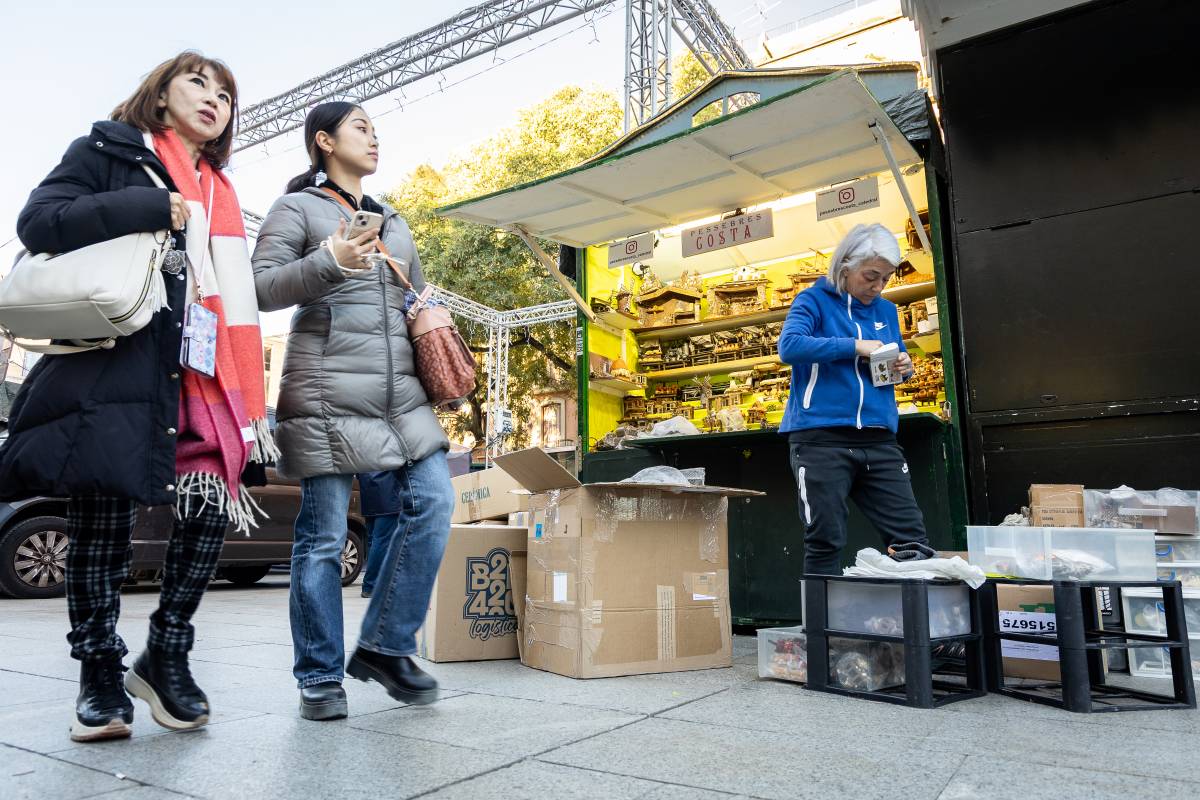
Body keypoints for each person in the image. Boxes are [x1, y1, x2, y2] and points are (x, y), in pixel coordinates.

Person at [0, 52, 273, 742]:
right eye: (198, 84)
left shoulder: (222, 192)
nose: (215, 99)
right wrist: (151, 205)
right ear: (158, 96)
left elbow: (231, 289)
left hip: (204, 376)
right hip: (118, 363)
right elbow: (40, 222)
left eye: (226, 94)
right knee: (103, 523)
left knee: (210, 506)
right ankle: (98, 673)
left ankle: (167, 651)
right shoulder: (108, 150)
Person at [252, 102, 453, 721]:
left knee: (436, 501)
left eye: (375, 129)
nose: (373, 138)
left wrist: (428, 310)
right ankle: (318, 675)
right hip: (326, 390)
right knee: (322, 538)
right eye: (361, 127)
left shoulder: (395, 219)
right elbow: (261, 287)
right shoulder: (297, 209)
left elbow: (410, 293)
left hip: (400, 394)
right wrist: (330, 261)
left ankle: (385, 646)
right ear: (324, 141)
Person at [777, 223, 931, 576]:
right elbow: (789, 347)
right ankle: (821, 630)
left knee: (911, 537)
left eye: (886, 279)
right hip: (821, 439)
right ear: (845, 266)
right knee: (825, 538)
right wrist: (853, 347)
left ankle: (913, 625)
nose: (878, 287)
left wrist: (905, 366)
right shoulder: (812, 300)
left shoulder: (887, 311)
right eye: (871, 276)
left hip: (880, 439)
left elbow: (896, 360)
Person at [355, 471, 402, 599]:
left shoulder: (363, 450)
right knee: (380, 542)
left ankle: (371, 585)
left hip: (369, 496)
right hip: (388, 496)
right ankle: (371, 586)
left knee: (373, 542)